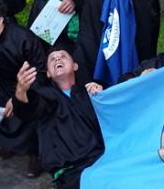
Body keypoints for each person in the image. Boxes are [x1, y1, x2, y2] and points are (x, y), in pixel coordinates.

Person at [0, 0, 47, 177]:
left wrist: (17, 96)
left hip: (29, 85)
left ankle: (35, 154)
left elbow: (40, 72)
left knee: (28, 107)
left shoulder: (23, 38)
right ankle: (10, 145)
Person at [12, 46, 105, 189]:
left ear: (75, 66)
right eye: (52, 59)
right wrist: (20, 91)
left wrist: (102, 97)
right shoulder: (44, 96)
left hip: (102, 161)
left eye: (63, 56)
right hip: (72, 172)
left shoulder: (89, 92)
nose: (57, 59)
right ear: (48, 73)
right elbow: (28, 110)